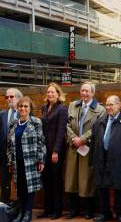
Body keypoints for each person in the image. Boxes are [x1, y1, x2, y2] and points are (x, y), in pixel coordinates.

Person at [65, 81, 105, 219]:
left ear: (93, 93)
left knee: (86, 180)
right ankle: (73, 209)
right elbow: (67, 125)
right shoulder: (73, 105)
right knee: (72, 179)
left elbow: (97, 129)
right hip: (73, 147)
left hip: (87, 149)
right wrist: (74, 139)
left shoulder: (100, 110)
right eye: (82, 90)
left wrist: (82, 139)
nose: (84, 93)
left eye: (87, 91)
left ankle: (88, 210)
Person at [91, 95, 121, 222]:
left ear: (119, 105)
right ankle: (105, 213)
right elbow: (94, 142)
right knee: (102, 187)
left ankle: (119, 213)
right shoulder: (99, 122)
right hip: (101, 158)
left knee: (118, 187)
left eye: (112, 104)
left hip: (119, 161)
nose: (109, 107)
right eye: (107, 105)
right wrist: (93, 161)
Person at [7, 96, 46, 222]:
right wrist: (9, 161)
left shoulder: (36, 122)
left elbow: (41, 142)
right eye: (20, 106)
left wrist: (41, 160)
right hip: (16, 162)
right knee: (20, 188)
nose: (23, 108)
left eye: (25, 106)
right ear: (17, 108)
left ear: (30, 108)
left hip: (31, 161)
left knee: (30, 188)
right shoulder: (13, 123)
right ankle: (21, 211)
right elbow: (9, 144)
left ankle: (28, 213)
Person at [37, 83, 68, 220]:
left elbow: (61, 130)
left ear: (58, 93)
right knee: (46, 180)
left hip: (56, 151)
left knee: (56, 181)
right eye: (48, 92)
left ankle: (57, 210)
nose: (50, 94)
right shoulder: (44, 107)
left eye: (52, 92)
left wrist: (55, 151)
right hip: (44, 150)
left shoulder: (62, 109)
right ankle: (47, 209)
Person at [0, 88, 23, 203]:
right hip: (4, 156)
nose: (8, 99)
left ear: (18, 98)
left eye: (11, 97)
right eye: (6, 97)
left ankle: (21, 209)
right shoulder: (2, 115)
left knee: (20, 183)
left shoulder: (24, 113)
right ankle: (4, 209)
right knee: (4, 183)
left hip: (20, 154)